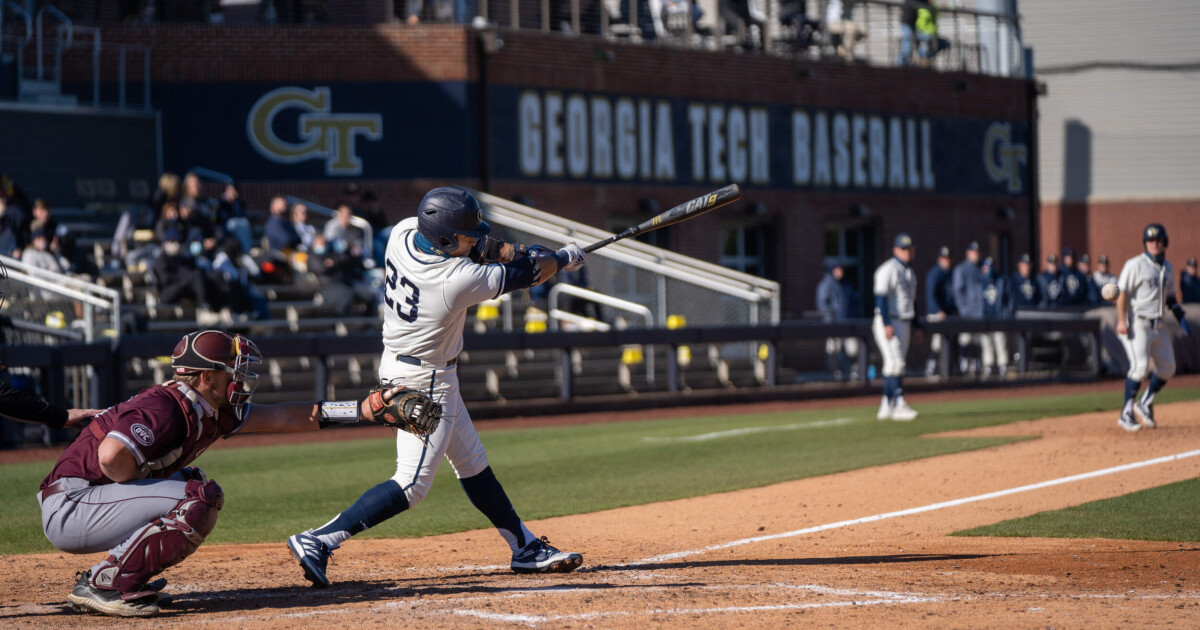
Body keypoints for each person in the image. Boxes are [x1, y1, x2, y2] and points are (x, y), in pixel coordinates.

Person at [287, 187, 588, 588]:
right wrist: (564, 258)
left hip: (408, 362)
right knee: (412, 484)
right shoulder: (454, 280)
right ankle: (320, 539)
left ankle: (524, 546)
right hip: (424, 378)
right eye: (464, 235)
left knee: (473, 462)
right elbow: (528, 273)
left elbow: (488, 249)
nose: (473, 239)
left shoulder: (403, 232)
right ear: (444, 239)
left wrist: (528, 252)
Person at [37, 329, 409, 617]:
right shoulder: (167, 405)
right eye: (230, 371)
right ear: (204, 378)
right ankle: (106, 583)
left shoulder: (211, 406)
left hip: (89, 500)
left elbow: (284, 417)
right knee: (196, 498)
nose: (240, 377)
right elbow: (110, 456)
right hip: (72, 505)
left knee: (192, 486)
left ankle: (122, 575)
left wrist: (362, 409)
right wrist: (151, 478)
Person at [1115, 224, 1188, 432]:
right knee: (1140, 368)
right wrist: (1121, 321)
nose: (1154, 244)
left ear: (1165, 242)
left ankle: (1144, 403)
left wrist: (1179, 314)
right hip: (1137, 322)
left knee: (1168, 367)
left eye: (1158, 240)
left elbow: (1171, 297)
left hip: (1159, 324)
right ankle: (1126, 412)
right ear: (1145, 243)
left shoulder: (1168, 266)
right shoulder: (1135, 264)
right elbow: (1122, 294)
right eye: (1150, 240)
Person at [872, 233, 920, 421]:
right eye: (903, 249)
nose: (907, 252)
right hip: (888, 320)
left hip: (904, 320)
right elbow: (881, 298)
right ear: (895, 250)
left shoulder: (909, 272)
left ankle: (886, 403)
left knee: (892, 365)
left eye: (909, 249)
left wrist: (917, 325)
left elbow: (913, 302)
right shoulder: (888, 269)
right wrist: (886, 324)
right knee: (896, 362)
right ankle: (899, 403)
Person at [816, 263, 860, 381]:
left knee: (853, 349)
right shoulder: (826, 284)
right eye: (837, 269)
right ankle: (834, 373)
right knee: (834, 350)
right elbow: (822, 305)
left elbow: (853, 304)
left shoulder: (846, 285)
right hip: (834, 325)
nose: (840, 272)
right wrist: (831, 321)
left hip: (848, 324)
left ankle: (853, 372)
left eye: (841, 269)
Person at [952, 241, 985, 377]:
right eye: (973, 252)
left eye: (977, 252)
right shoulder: (961, 269)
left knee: (977, 341)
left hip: (979, 314)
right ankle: (963, 363)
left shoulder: (981, 269)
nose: (975, 255)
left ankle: (975, 364)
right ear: (968, 253)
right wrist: (964, 310)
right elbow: (958, 292)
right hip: (967, 314)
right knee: (965, 340)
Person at [923, 245, 956, 377]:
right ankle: (930, 367)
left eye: (948, 258)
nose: (946, 261)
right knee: (937, 342)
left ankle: (944, 369)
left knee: (947, 343)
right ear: (939, 259)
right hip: (936, 314)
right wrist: (938, 310)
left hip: (947, 314)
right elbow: (930, 295)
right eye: (944, 258)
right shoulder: (934, 273)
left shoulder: (951, 273)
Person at [980, 257, 1012, 378]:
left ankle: (1003, 366)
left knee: (1000, 341)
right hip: (985, 316)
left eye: (991, 267)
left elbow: (1009, 299)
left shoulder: (1001, 280)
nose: (989, 269)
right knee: (986, 343)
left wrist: (1005, 314)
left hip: (998, 317)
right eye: (987, 266)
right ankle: (988, 366)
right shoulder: (980, 281)